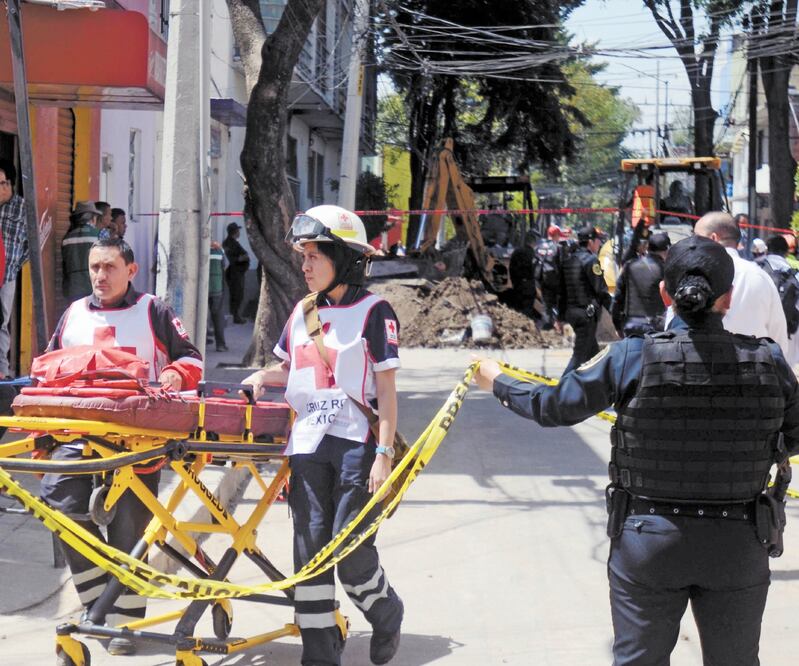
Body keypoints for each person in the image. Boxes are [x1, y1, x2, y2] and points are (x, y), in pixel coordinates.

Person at [473, 235, 799, 665]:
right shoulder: (768, 360)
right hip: (738, 542)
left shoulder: (630, 356)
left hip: (648, 541)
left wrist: (497, 381)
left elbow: (553, 406)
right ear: (728, 297)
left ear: (665, 294)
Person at [242, 205, 404, 666]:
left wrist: (384, 453)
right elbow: (291, 369)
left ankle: (386, 611)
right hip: (308, 446)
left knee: (350, 552)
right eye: (304, 256)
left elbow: (386, 390)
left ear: (344, 258)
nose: (305, 265)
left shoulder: (375, 312)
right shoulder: (302, 312)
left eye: (315, 255)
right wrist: (262, 377)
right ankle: (319, 653)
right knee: (309, 552)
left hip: (357, 447)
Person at [39, 237, 203, 656]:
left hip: (138, 439)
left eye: (109, 267)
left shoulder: (153, 310)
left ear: (131, 270)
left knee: (130, 528)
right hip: (79, 436)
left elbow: (192, 358)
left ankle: (125, 624)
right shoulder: (74, 314)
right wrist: (44, 439)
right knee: (59, 503)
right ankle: (97, 601)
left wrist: (175, 375)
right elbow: (48, 371)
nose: (100, 275)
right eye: (95, 267)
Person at [693, 212, 790, 359]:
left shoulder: (694, 273)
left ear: (713, 238)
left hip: (701, 366)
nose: (692, 245)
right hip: (754, 368)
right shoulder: (760, 276)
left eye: (696, 238)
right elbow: (778, 336)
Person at [558, 225, 612, 374]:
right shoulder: (591, 260)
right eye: (598, 240)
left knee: (593, 354)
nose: (600, 244)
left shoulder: (568, 261)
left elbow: (561, 292)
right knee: (579, 356)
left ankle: (601, 383)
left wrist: (560, 317)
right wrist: (615, 314)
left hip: (572, 313)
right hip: (585, 315)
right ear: (590, 242)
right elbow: (601, 290)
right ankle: (562, 385)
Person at [611, 231, 670, 337]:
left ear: (648, 248)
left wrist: (617, 325)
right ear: (666, 251)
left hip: (630, 326)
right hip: (656, 328)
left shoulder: (629, 266)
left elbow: (618, 298)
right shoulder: (666, 270)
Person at [0, 159, 27, 380]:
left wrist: (15, 263)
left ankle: (2, 370)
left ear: (11, 184)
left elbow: (32, 244)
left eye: (3, 183)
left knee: (1, 322)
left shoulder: (22, 208)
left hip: (6, 276)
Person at [62, 201, 100, 301]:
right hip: (93, 286)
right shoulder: (99, 235)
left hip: (72, 288)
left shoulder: (67, 237)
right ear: (93, 218)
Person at [222, 222, 250, 323]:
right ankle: (235, 316)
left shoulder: (234, 242)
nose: (239, 232)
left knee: (239, 294)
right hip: (234, 273)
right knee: (236, 295)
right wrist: (241, 258)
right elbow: (232, 259)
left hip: (238, 273)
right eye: (238, 230)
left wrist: (244, 257)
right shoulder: (228, 243)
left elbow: (244, 254)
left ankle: (235, 315)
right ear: (234, 232)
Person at [208, 239, 227, 351]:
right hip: (217, 288)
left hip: (202, 290)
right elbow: (225, 265)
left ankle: (201, 340)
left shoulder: (197, 248)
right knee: (218, 318)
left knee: (200, 316)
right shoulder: (219, 251)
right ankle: (220, 345)